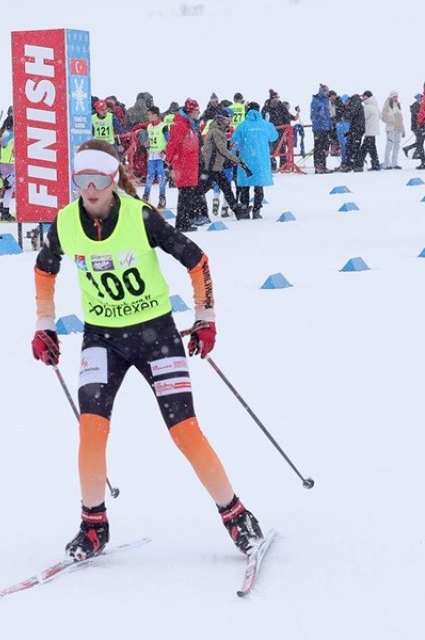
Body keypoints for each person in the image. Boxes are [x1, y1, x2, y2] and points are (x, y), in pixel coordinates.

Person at [29, 138, 264, 562]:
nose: (90, 188)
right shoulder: (64, 222)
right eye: (82, 179)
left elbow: (197, 261)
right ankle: (93, 525)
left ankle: (237, 516)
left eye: (99, 178)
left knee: (184, 430)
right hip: (102, 338)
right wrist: (45, 326)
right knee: (91, 429)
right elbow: (45, 269)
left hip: (155, 335)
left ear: (114, 177)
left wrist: (205, 317)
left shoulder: (141, 217)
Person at [164, 98, 203, 231]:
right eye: (197, 110)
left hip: (189, 164)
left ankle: (184, 222)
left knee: (187, 194)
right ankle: (182, 223)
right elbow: (173, 144)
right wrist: (169, 160)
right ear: (191, 111)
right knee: (185, 195)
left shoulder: (189, 124)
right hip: (183, 164)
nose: (199, 113)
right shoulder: (181, 125)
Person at [233, 103, 276, 219]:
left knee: (245, 187)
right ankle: (257, 211)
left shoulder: (242, 126)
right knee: (259, 187)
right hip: (261, 160)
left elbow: (234, 142)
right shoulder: (265, 125)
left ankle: (245, 209)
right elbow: (274, 136)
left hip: (246, 161)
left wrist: (233, 156)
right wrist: (268, 123)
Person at [201, 109, 246, 218]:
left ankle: (236, 210)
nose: (230, 121)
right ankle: (193, 210)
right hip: (211, 166)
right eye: (229, 118)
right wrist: (237, 160)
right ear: (222, 119)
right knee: (202, 189)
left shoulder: (219, 130)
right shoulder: (216, 131)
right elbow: (221, 150)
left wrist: (229, 145)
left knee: (226, 188)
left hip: (217, 165)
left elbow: (219, 147)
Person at [141, 107, 170, 209]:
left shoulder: (163, 126)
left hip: (160, 156)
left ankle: (162, 198)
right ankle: (146, 196)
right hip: (151, 155)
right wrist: (147, 144)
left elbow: (169, 141)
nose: (148, 117)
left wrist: (164, 151)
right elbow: (150, 139)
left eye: (149, 114)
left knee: (161, 177)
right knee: (149, 177)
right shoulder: (149, 126)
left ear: (155, 115)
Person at [310, 85, 333, 173]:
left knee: (324, 147)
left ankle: (323, 165)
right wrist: (319, 118)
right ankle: (318, 166)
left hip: (326, 127)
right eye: (326, 91)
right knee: (318, 147)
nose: (327, 93)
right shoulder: (316, 100)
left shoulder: (326, 101)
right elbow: (313, 114)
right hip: (318, 127)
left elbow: (328, 114)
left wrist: (330, 125)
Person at [381, 91, 407, 170]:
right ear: (391, 97)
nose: (396, 98)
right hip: (391, 129)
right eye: (394, 96)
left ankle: (394, 163)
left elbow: (400, 119)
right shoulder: (387, 105)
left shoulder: (398, 105)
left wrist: (403, 130)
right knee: (389, 146)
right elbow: (383, 116)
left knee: (396, 147)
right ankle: (387, 164)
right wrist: (391, 121)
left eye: (396, 96)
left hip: (398, 129)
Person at [361, 91, 382, 171]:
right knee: (372, 148)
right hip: (374, 130)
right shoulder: (375, 105)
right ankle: (375, 164)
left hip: (369, 130)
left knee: (364, 148)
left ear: (366, 97)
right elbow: (380, 116)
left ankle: (359, 163)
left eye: (363, 96)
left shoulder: (368, 107)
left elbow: (363, 118)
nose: (362, 98)